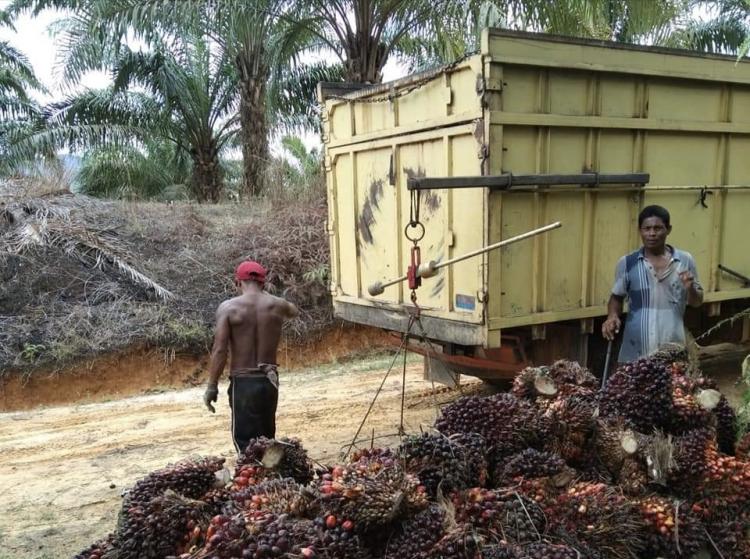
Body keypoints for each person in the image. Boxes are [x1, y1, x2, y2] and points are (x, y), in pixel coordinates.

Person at [203, 260, 298, 454]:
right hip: (269, 381)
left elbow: (220, 350)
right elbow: (294, 311)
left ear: (237, 283)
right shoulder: (277, 305)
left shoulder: (229, 308)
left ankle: (252, 479)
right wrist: (270, 299)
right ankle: (270, 479)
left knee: (246, 445)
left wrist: (212, 386)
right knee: (267, 439)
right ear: (263, 283)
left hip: (244, 382)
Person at [602, 205, 703, 363]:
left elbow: (697, 302)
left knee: (673, 387)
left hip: (672, 350)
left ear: (668, 229)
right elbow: (616, 297)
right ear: (640, 231)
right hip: (636, 351)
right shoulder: (628, 263)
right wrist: (612, 316)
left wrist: (690, 289)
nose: (652, 233)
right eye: (647, 228)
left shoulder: (685, 261)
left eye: (658, 228)